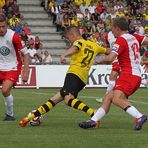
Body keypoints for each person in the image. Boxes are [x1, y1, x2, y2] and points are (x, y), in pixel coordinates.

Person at [19, 26, 110, 127]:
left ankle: (93, 114)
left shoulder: (79, 42)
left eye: (69, 38)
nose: (69, 40)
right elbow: (108, 51)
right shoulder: (94, 45)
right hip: (83, 79)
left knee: (68, 100)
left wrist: (64, 55)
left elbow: (75, 47)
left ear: (73, 35)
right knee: (54, 99)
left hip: (74, 74)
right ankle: (28, 118)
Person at [79, 17, 148, 131]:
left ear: (117, 28)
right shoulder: (134, 37)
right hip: (136, 76)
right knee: (108, 97)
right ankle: (94, 121)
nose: (111, 32)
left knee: (116, 98)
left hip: (128, 75)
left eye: (112, 29)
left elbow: (111, 58)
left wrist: (98, 60)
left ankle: (140, 116)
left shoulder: (121, 40)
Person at [0, 14, 29, 120]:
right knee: (5, 91)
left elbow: (26, 53)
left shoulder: (14, 36)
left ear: (7, 25)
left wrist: (25, 71)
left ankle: (10, 115)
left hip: (12, 67)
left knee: (5, 90)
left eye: (3, 26)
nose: (1, 29)